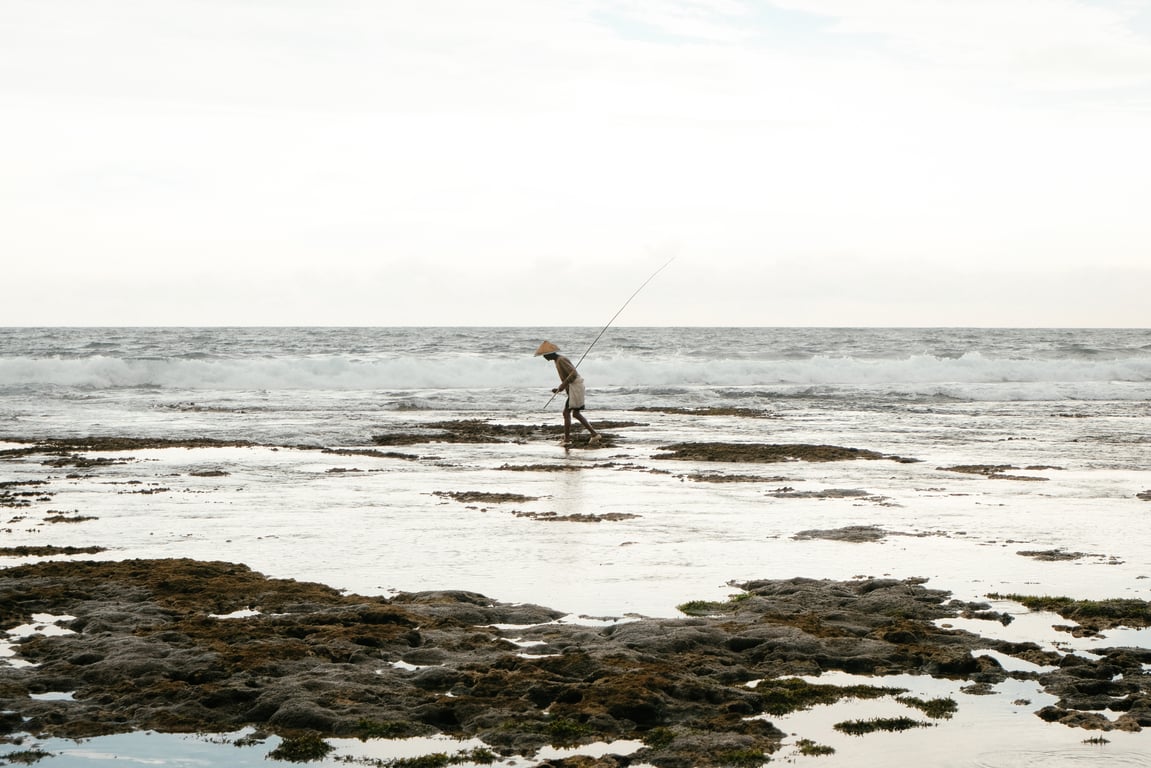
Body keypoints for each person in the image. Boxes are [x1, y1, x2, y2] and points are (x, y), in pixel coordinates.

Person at [535, 341, 601, 445]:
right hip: (574, 387)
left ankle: (567, 440)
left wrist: (562, 385)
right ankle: (593, 434)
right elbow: (568, 377)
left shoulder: (561, 360)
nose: (544, 357)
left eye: (544, 355)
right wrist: (560, 388)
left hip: (576, 387)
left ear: (549, 354)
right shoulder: (557, 360)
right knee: (575, 413)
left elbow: (573, 374)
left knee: (568, 413)